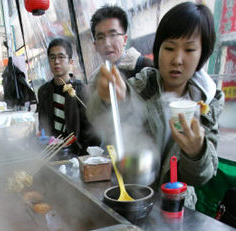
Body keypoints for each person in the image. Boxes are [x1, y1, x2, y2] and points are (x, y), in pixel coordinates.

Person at [87, 2, 224, 208]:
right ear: (158, 49)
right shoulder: (141, 86)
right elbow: (98, 115)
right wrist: (109, 99)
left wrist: (196, 153)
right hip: (132, 197)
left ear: (202, 54)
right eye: (169, 48)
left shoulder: (207, 102)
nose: (177, 59)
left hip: (177, 207)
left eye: (189, 49)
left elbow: (203, 175)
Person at [37, 38, 100, 156]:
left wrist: (84, 153)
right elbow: (42, 124)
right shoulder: (43, 91)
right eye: (52, 57)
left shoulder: (81, 90)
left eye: (61, 57)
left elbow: (91, 129)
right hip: (51, 152)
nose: (56, 61)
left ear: (70, 61)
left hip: (76, 153)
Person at [90, 4, 153, 80]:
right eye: (100, 37)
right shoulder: (94, 80)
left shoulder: (147, 68)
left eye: (113, 35)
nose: (107, 43)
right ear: (95, 45)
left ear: (125, 39)